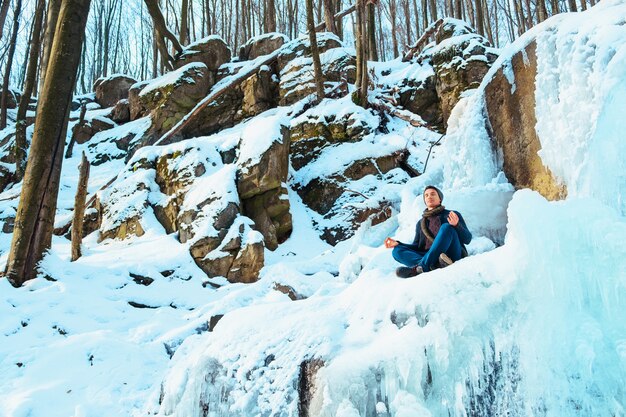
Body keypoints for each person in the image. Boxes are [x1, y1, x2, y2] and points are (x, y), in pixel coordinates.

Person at [385, 185, 472, 278]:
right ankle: (434, 265)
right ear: (425, 201)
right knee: (397, 251)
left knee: (446, 227)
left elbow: (467, 239)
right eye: (426, 195)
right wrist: (398, 244)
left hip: (451, 254)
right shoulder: (420, 223)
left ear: (440, 199)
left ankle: (422, 267)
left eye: (433, 194)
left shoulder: (451, 214)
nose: (429, 197)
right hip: (428, 256)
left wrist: (457, 225)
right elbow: (417, 247)